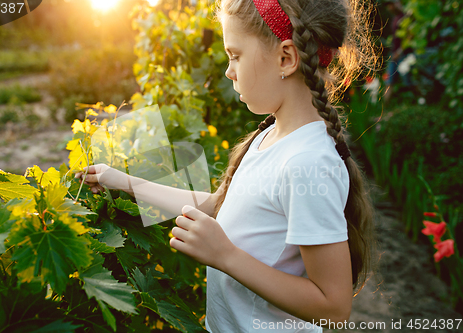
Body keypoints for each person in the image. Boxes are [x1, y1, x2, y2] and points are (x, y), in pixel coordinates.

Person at [76, 0, 377, 331]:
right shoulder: (270, 136)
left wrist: (226, 256)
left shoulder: (307, 163)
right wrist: (123, 182)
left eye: (235, 55)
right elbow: (214, 205)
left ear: (286, 58)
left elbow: (333, 309)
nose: (228, 70)